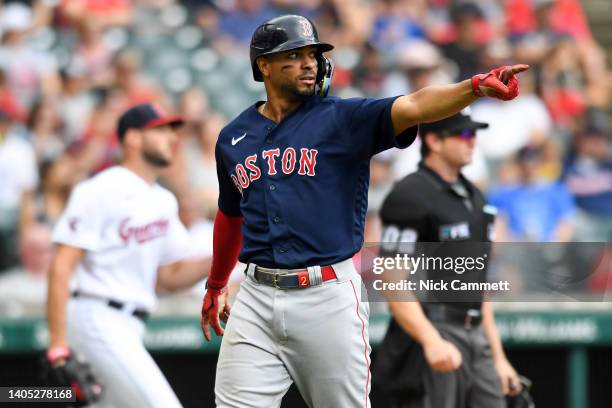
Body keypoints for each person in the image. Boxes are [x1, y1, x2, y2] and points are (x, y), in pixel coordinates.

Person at [200, 14, 528, 408]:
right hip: (255, 295)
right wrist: (217, 284)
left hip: (325, 295)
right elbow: (230, 214)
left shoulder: (342, 118)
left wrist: (473, 88)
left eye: (312, 54)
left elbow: (416, 104)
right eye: (294, 55)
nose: (309, 63)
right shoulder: (234, 137)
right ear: (263, 66)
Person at [46, 103, 211, 408]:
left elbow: (168, 278)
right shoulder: (101, 188)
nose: (171, 138)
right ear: (133, 137)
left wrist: (222, 258)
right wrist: (58, 345)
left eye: (172, 131)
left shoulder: (163, 200)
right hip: (97, 316)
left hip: (131, 324)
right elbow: (61, 265)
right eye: (161, 130)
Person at [372, 111, 521, 408]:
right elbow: (392, 281)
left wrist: (499, 358)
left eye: (474, 135)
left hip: (475, 333)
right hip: (432, 326)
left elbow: (479, 284)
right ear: (434, 141)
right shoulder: (410, 194)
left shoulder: (474, 196)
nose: (472, 142)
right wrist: (430, 340)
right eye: (463, 135)